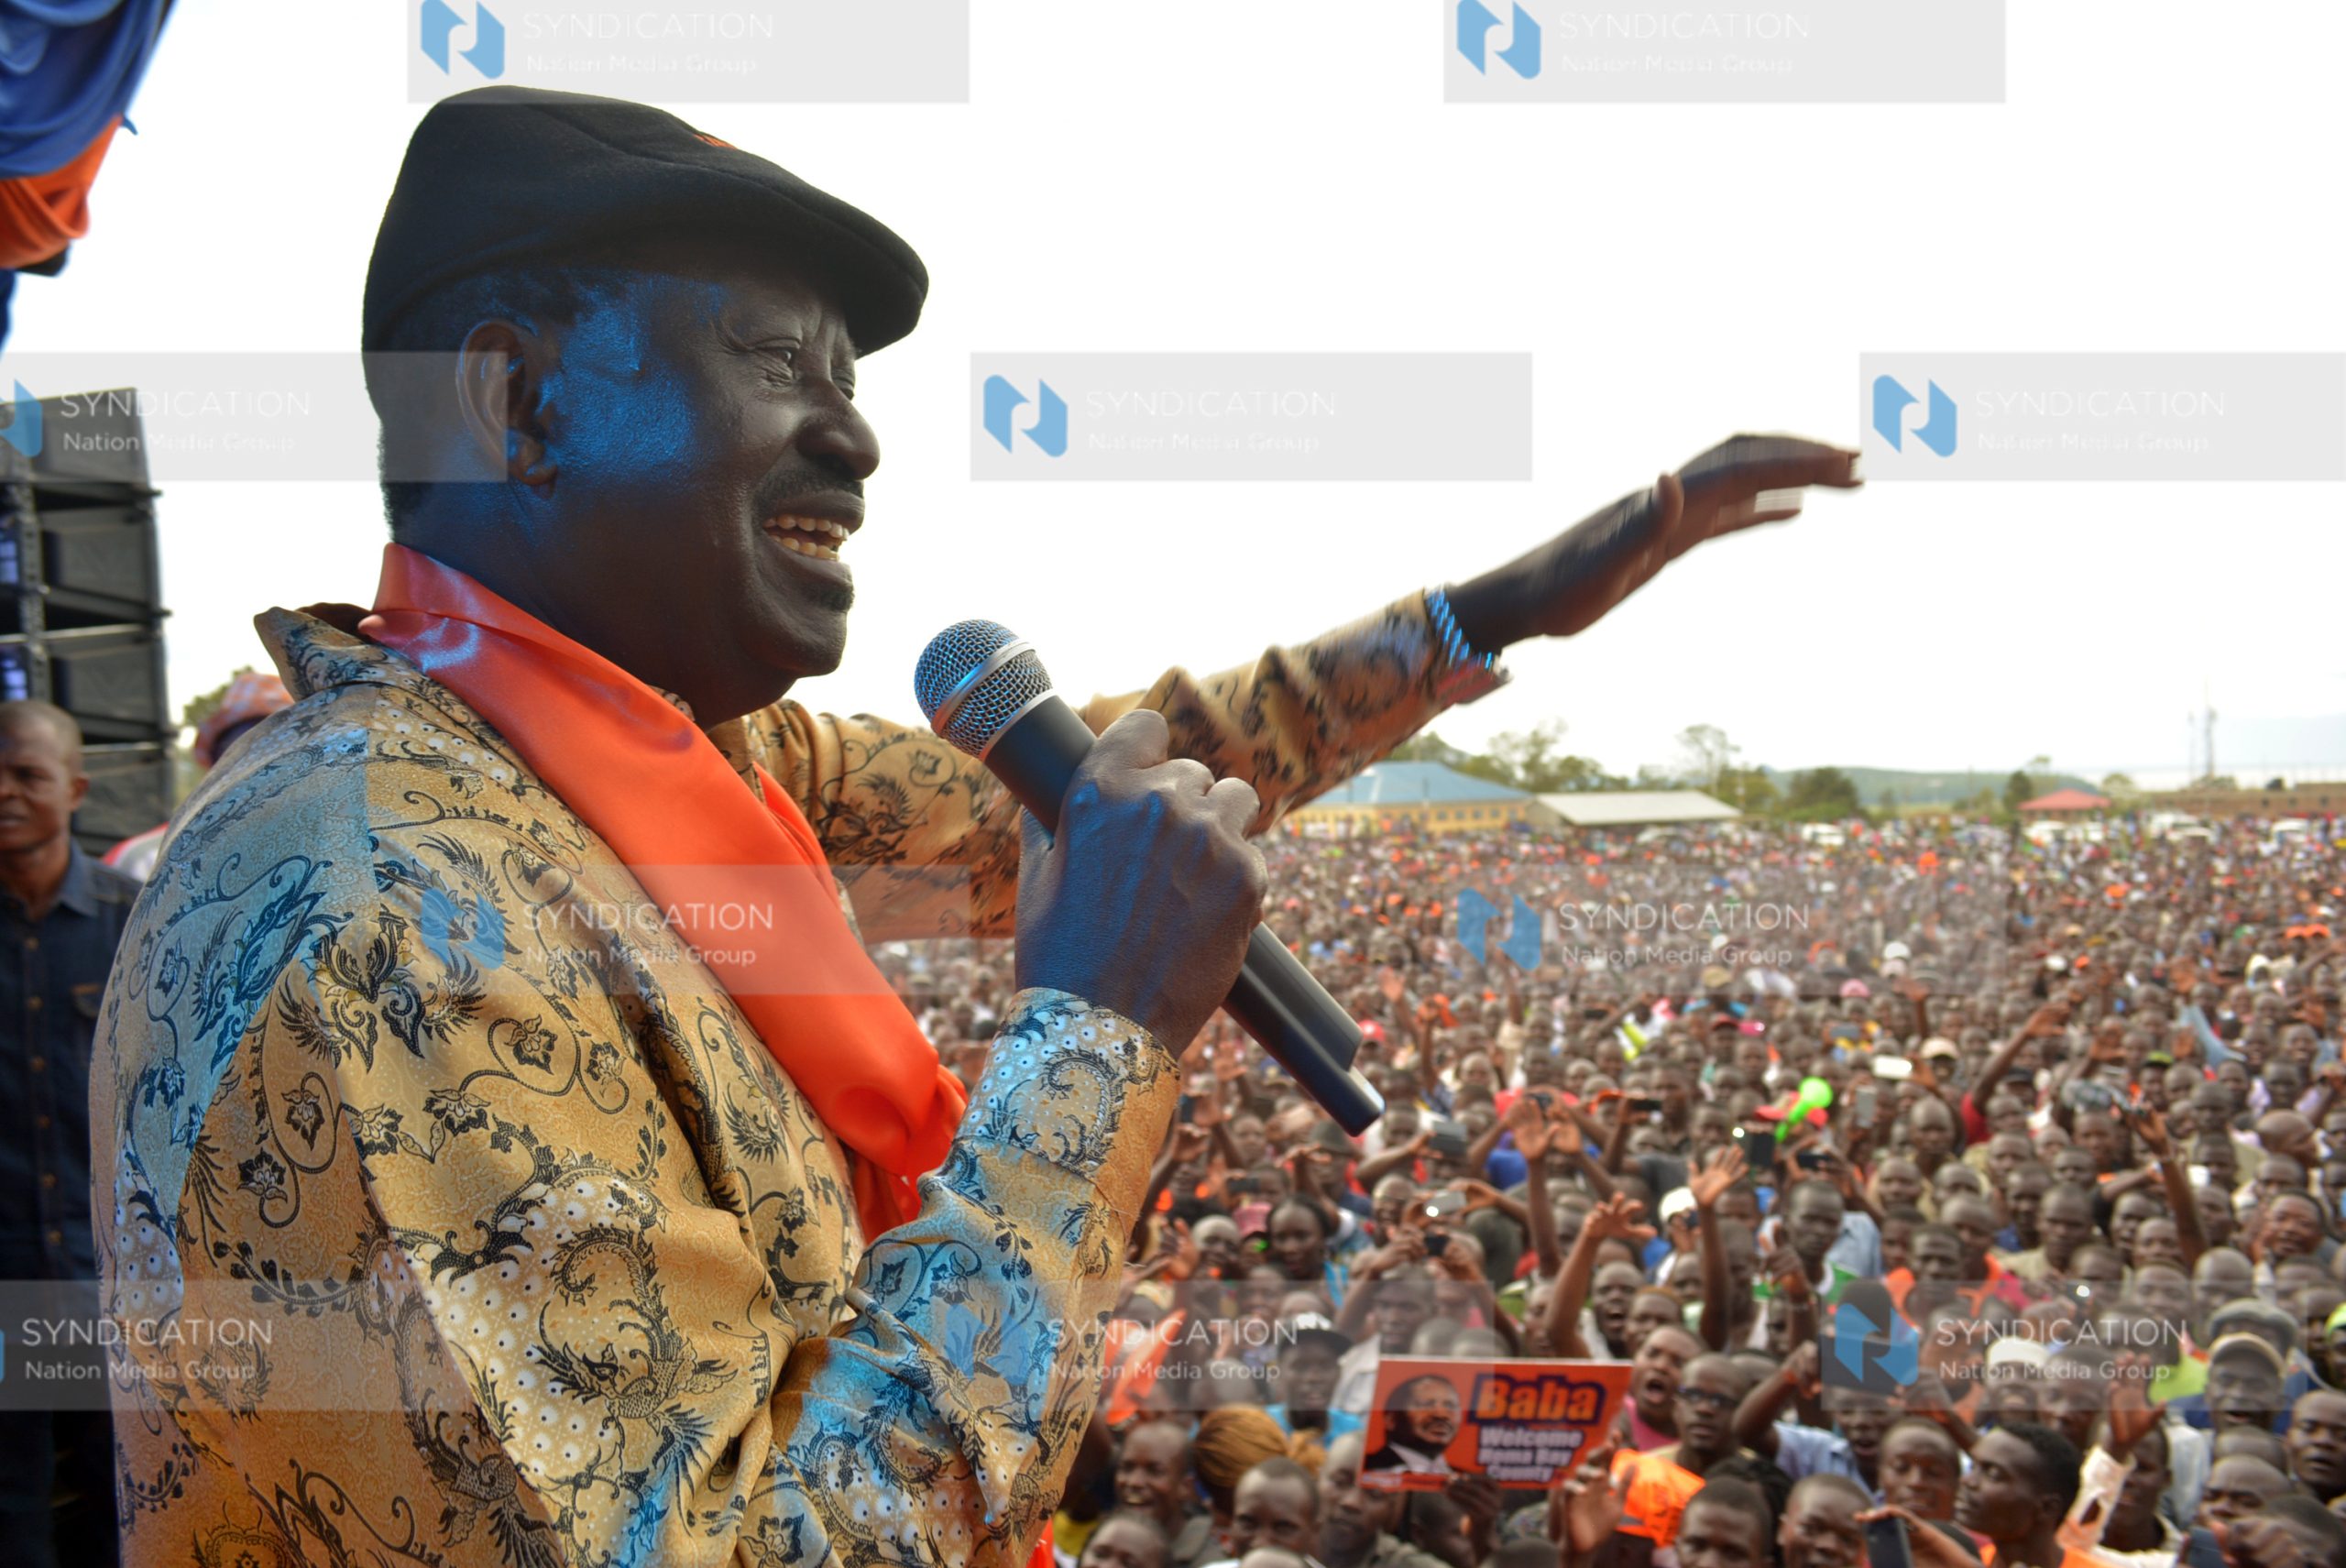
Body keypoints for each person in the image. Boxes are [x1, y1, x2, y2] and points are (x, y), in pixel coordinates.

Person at [91, 88, 1863, 1568]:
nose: (855, 436)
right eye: (775, 359)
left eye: (852, 379)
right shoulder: (385, 911)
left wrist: (1485, 616)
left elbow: (1085, 794)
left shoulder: (674, 777)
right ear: (517, 402)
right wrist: (1092, 1043)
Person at [0, 701, 141, 1568]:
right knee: (10, 1508)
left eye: (27, 774)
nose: (5, 793)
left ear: (76, 789)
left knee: (120, 1499)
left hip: (112, 1281)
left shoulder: (136, 920)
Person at [1363, 1375, 1463, 1476]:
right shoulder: (1364, 1468)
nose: (1441, 1415)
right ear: (1391, 1419)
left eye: (1450, 1405)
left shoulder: (1465, 1478)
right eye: (1426, 1404)